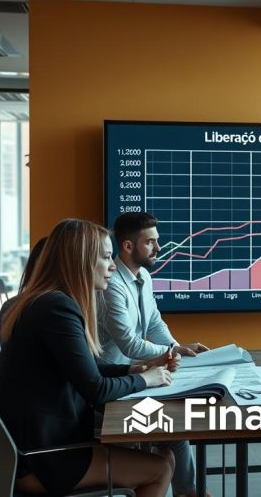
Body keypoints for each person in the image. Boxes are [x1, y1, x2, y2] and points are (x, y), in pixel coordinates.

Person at [0, 218, 177, 497]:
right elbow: (96, 389)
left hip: (32, 446)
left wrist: (133, 370)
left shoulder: (43, 301)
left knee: (165, 457)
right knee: (161, 467)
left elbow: (85, 367)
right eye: (105, 257)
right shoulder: (57, 308)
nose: (113, 265)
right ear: (81, 262)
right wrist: (146, 379)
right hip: (46, 458)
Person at [99, 211, 210, 497]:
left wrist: (175, 349)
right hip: (113, 383)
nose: (159, 248)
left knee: (177, 434)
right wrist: (173, 351)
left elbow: (154, 323)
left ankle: (187, 491)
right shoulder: (111, 284)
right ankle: (187, 492)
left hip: (135, 374)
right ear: (128, 246)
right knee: (174, 432)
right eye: (150, 242)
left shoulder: (144, 276)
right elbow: (130, 344)